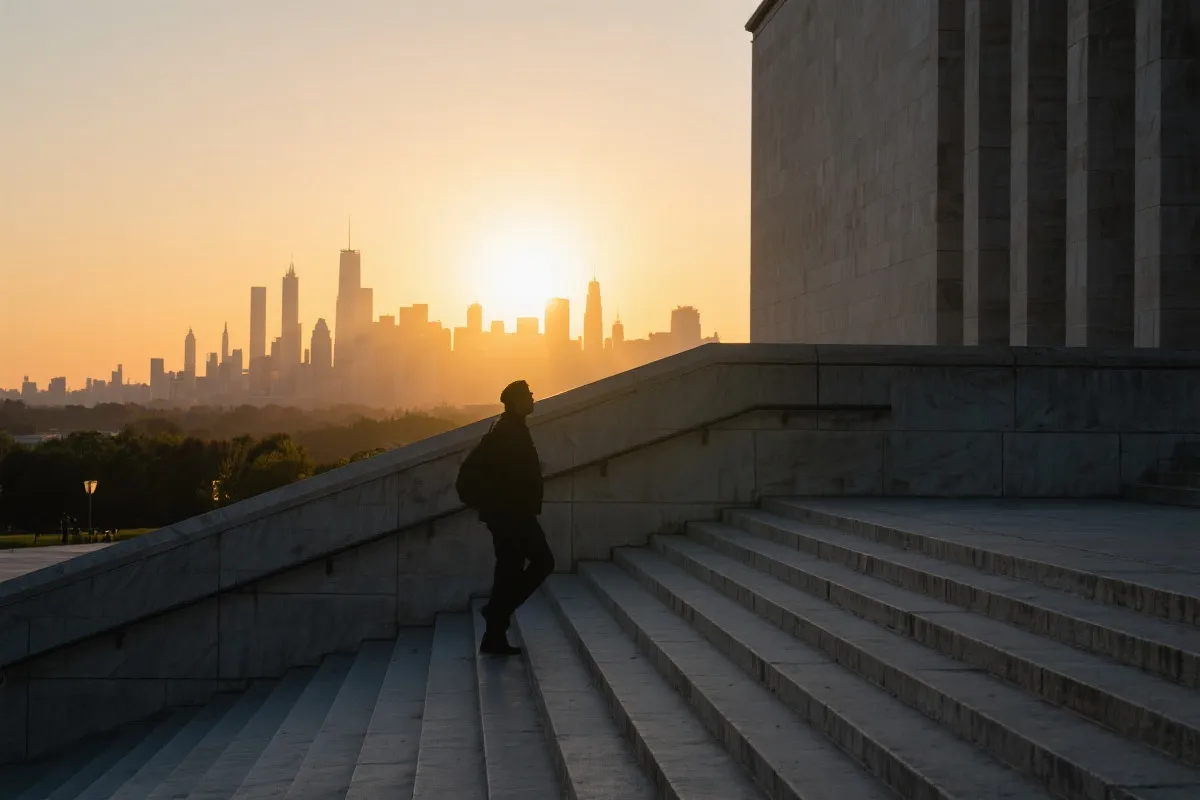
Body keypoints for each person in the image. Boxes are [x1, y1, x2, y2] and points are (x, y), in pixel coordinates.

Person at [473, 380, 555, 655]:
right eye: (529, 395)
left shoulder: (508, 427)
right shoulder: (510, 432)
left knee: (508, 573)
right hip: (514, 517)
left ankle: (493, 636)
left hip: (509, 516)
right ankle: (497, 611)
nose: (534, 398)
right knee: (543, 562)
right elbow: (509, 476)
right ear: (518, 401)